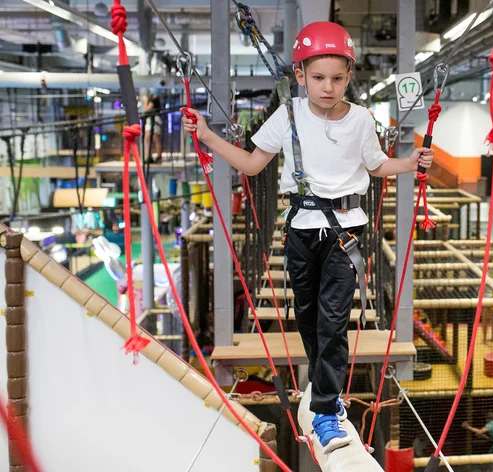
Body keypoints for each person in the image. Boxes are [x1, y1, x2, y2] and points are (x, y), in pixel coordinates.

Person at [181, 21, 434, 453]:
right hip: (299, 232)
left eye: (337, 78)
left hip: (345, 233)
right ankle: (325, 391)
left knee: (334, 320)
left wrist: (410, 163)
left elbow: (375, 166)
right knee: (310, 320)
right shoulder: (288, 115)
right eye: (318, 78)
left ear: (349, 76)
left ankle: (325, 409)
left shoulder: (361, 120)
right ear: (300, 77)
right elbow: (251, 164)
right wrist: (206, 136)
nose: (328, 87)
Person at [143, 94, 163, 163]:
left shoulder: (155, 98)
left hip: (154, 119)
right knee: (147, 139)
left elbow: (147, 109)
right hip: (150, 119)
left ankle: (159, 156)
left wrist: (145, 101)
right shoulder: (152, 98)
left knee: (155, 138)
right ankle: (149, 157)